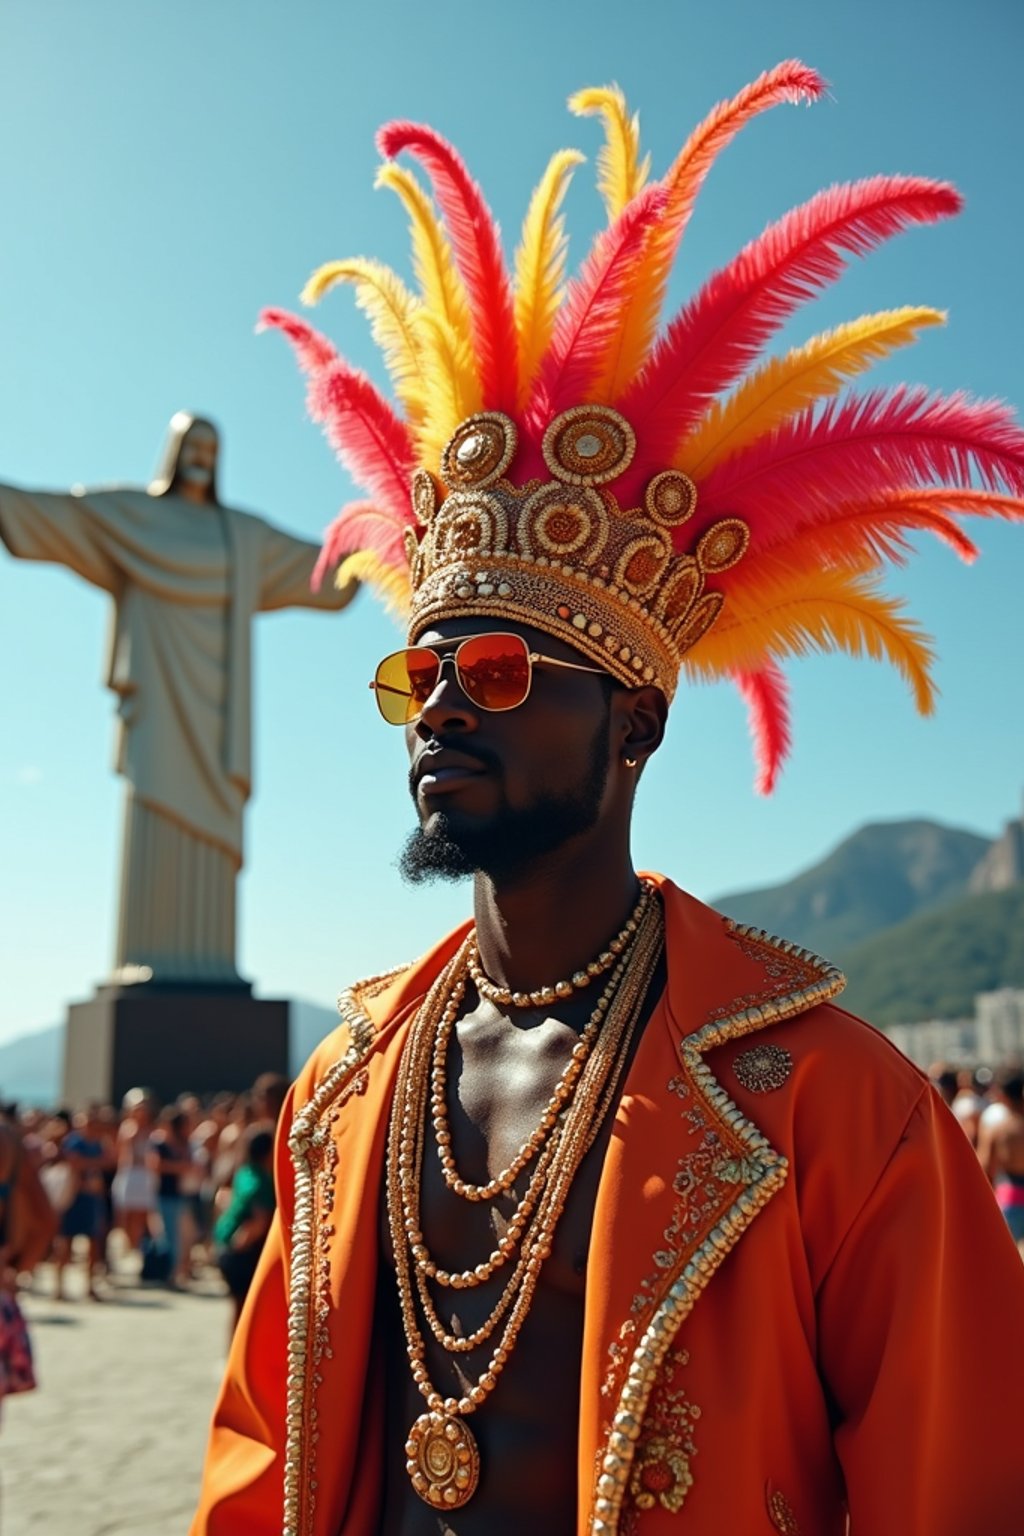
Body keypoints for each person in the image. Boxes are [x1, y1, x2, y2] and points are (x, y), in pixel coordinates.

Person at [193, 64, 1024, 1536]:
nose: (445, 698)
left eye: (502, 669)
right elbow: (264, 1456)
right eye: (419, 673)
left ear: (632, 722)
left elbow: (954, 1488)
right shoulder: (343, 1088)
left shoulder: (838, 1108)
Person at [0, 414, 358, 984]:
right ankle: (146, 957)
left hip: (219, 713)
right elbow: (59, 516)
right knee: (157, 817)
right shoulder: (132, 517)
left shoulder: (240, 536)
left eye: (211, 447)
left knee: (212, 834)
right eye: (192, 444)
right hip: (160, 703)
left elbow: (322, 567)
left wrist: (373, 546)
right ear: (173, 450)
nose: (201, 456)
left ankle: (210, 966)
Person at [213, 1123, 277, 1334]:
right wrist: (242, 1245)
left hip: (226, 1245)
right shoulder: (261, 1182)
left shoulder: (245, 1172)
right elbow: (258, 1222)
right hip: (240, 1253)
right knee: (246, 1311)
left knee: (238, 1310)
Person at [978, 1065, 1024, 1253]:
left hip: (1010, 1196)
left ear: (1003, 1096)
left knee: (1007, 1258)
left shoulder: (999, 1130)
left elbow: (984, 1167)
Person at [111, 1088, 158, 1253]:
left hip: (145, 1177)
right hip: (128, 1175)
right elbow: (120, 1154)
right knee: (125, 1215)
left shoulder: (153, 1130)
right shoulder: (126, 1128)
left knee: (141, 1215)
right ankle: (127, 1245)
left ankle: (136, 1247)